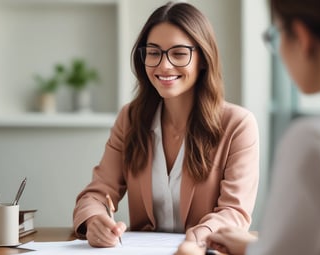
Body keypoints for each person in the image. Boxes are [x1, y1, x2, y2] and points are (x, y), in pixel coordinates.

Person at [73, 1, 259, 248]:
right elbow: (96, 193)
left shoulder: (238, 125)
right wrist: (95, 219)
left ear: (203, 59)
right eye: (153, 52)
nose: (164, 65)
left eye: (179, 53)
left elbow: (235, 213)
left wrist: (197, 237)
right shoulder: (130, 119)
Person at [175, 0, 320, 254]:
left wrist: (190, 252)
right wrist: (255, 247)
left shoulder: (314, 141)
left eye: (278, 34)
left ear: (303, 38)